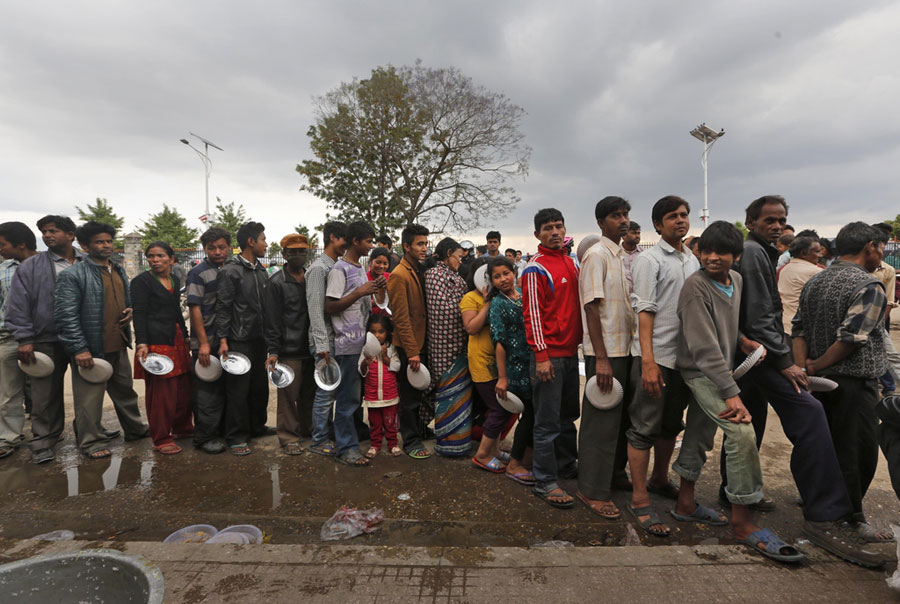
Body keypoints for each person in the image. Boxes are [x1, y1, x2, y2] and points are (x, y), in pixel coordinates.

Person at [731, 195, 884, 568]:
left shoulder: (806, 273)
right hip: (774, 357)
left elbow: (792, 323)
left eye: (781, 220)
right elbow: (764, 316)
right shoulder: (754, 254)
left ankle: (755, 496)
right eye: (769, 219)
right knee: (820, 424)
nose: (777, 226)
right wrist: (793, 365)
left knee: (776, 425)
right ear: (750, 221)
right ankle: (831, 514)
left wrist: (803, 364)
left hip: (779, 356)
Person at [672, 221, 804, 563]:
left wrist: (743, 339)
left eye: (722, 252)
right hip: (701, 371)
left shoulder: (738, 281)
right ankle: (742, 520)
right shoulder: (694, 287)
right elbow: (702, 347)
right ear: (698, 252)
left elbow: (727, 326)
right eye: (707, 251)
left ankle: (685, 503)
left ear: (737, 256)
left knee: (700, 431)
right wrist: (732, 393)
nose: (714, 258)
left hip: (724, 369)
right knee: (742, 431)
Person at [793, 222, 892, 535]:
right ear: (870, 247)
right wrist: (817, 365)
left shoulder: (816, 280)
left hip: (819, 382)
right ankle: (850, 518)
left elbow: (798, 329)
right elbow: (850, 338)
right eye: (881, 248)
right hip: (852, 382)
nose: (882, 254)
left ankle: (818, 501)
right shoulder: (870, 286)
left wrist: (804, 368)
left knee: (824, 444)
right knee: (856, 451)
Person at [624, 197, 700, 536]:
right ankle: (639, 498)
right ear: (658, 224)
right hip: (655, 358)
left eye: (684, 215)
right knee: (644, 427)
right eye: (672, 217)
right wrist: (649, 363)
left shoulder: (692, 259)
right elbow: (644, 311)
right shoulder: (649, 260)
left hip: (684, 360)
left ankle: (659, 479)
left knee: (671, 426)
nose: (680, 221)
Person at [54, 221, 149, 459]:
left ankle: (135, 429)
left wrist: (130, 310)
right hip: (90, 349)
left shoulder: (116, 269)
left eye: (108, 241)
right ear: (85, 246)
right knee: (89, 399)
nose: (106, 245)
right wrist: (79, 349)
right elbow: (66, 316)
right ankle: (91, 442)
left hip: (117, 342)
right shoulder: (73, 275)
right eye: (99, 241)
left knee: (125, 392)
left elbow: (123, 301)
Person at [6, 215, 85, 464]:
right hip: (45, 338)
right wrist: (25, 339)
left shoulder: (87, 261)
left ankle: (90, 436)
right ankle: (43, 441)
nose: (47, 235)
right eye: (44, 231)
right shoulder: (31, 266)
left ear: (71, 235)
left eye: (54, 230)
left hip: (84, 337)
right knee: (44, 395)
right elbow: (17, 305)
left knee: (87, 392)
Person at [577, 196, 636, 519]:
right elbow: (591, 307)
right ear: (601, 222)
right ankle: (591, 490)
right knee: (600, 424)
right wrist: (600, 358)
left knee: (620, 421)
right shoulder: (596, 255)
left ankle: (612, 476)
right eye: (616, 216)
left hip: (625, 349)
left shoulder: (619, 256)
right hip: (606, 352)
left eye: (626, 214)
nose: (623, 220)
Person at [521, 208, 582, 508]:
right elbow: (531, 314)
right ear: (537, 235)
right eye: (548, 228)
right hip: (549, 358)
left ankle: (568, 465)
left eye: (559, 226)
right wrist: (542, 356)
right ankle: (545, 481)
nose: (555, 232)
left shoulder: (571, 263)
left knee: (568, 417)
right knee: (547, 424)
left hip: (571, 354)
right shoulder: (535, 268)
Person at [325, 220, 380, 466]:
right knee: (347, 400)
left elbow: (365, 305)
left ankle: (352, 440)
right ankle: (346, 448)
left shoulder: (358, 267)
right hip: (346, 344)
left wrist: (375, 290)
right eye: (368, 241)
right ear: (356, 241)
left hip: (362, 344)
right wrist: (360, 292)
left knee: (356, 399)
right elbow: (330, 306)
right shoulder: (340, 269)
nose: (371, 245)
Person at [132, 241, 193, 455]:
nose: (155, 260)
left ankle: (182, 428)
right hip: (155, 341)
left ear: (171, 259)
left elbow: (177, 310)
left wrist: (185, 337)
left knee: (183, 387)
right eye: (150, 256)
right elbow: (139, 313)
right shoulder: (141, 282)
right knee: (162, 392)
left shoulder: (174, 280)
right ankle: (161, 437)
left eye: (160, 256)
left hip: (175, 338)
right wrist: (142, 343)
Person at [215, 221, 270, 456]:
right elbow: (224, 307)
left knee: (260, 387)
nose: (266, 244)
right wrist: (224, 340)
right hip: (238, 339)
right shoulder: (230, 270)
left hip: (260, 338)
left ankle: (256, 426)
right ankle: (236, 436)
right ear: (251, 242)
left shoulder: (261, 270)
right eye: (263, 239)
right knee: (238, 390)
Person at [264, 234, 316, 455]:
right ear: (284, 255)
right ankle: (288, 437)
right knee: (287, 397)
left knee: (310, 395)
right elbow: (272, 319)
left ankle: (308, 431)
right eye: (293, 252)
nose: (298, 255)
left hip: (311, 348)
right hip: (288, 350)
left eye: (301, 251)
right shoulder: (276, 283)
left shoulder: (311, 278)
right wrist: (273, 350)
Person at [461, 256, 511, 473]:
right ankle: (482, 454)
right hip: (482, 362)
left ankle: (495, 449)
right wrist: (488, 302)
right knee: (497, 408)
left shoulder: (504, 296)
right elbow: (471, 327)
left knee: (504, 408)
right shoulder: (470, 298)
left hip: (501, 363)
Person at [386, 224, 432, 459]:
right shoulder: (398, 275)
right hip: (409, 346)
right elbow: (401, 319)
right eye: (420, 244)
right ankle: (411, 440)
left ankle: (420, 430)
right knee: (410, 397)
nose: (424, 248)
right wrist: (413, 351)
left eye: (426, 243)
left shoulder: (417, 269)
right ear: (407, 246)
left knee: (420, 394)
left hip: (422, 341)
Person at [185, 227, 231, 454]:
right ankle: (204, 437)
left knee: (226, 389)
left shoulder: (231, 269)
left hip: (228, 340)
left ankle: (224, 431)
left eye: (221, 247)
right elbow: (195, 309)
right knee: (207, 391)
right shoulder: (198, 273)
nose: (217, 251)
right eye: (211, 248)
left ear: (229, 247)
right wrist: (203, 343)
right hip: (207, 341)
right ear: (204, 249)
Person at [489, 256, 534, 486]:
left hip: (533, 362)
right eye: (497, 276)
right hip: (515, 367)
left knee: (536, 413)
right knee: (528, 413)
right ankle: (515, 463)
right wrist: (503, 377)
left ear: (514, 272)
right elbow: (499, 342)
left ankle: (526, 459)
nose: (503, 279)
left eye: (506, 273)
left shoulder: (524, 294)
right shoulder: (498, 303)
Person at [424, 238, 471, 456]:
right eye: (459, 257)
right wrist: (469, 309)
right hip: (444, 347)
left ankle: (460, 441)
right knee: (445, 393)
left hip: (460, 345)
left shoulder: (454, 276)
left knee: (460, 397)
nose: (461, 262)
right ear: (449, 252)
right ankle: (448, 443)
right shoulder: (435, 275)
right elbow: (441, 311)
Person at [306, 221, 347, 457]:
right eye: (343, 240)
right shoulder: (319, 269)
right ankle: (319, 439)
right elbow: (315, 309)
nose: (346, 245)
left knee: (335, 391)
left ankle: (328, 434)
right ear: (333, 238)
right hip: (325, 342)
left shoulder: (335, 266)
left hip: (336, 339)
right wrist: (322, 345)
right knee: (326, 392)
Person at [0, 222, 38, 458]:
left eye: (2, 245)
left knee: (42, 391)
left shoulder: (46, 267)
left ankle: (45, 433)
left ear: (20, 244)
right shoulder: (3, 270)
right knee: (8, 393)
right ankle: (8, 437)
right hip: (8, 338)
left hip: (42, 339)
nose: (0, 249)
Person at [359, 314, 402, 457]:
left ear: (388, 332)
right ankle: (375, 445)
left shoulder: (391, 348)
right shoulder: (366, 350)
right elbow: (361, 370)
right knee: (375, 422)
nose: (377, 335)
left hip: (390, 394)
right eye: (373, 332)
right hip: (372, 395)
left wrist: (385, 358)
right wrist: (365, 363)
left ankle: (393, 444)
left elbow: (397, 366)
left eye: (381, 332)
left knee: (390, 422)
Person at [777, 236, 823, 334]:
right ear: (803, 254)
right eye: (817, 252)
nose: (820, 255)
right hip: (805, 329)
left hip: (786, 326)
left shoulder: (784, 269)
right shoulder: (816, 272)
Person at [367, 247, 391, 315]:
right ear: (371, 261)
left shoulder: (390, 278)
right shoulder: (364, 279)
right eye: (378, 262)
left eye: (385, 264)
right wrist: (377, 301)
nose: (381, 266)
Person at [622, 221, 642, 293]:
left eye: (638, 233)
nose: (637, 236)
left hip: (640, 298)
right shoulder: (616, 254)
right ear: (624, 236)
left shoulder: (644, 255)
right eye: (633, 233)